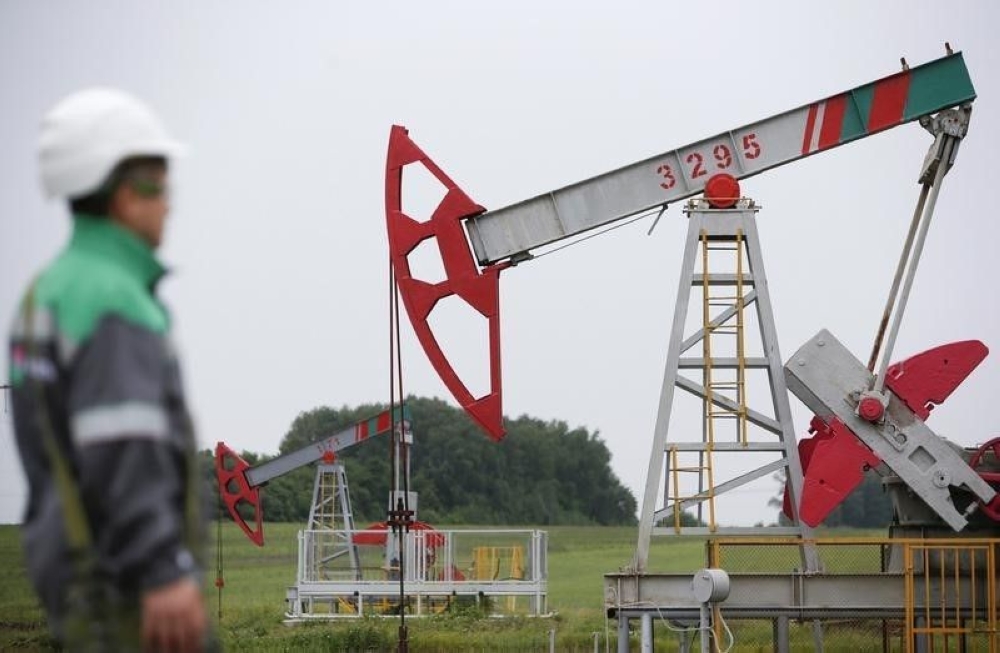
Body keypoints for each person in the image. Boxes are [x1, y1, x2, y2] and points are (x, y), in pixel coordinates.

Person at [8, 88, 211, 651]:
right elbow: (123, 443)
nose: (170, 203)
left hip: (71, 571)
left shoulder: (42, 296)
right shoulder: (114, 300)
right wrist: (162, 569)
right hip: (129, 589)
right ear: (127, 194)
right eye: (162, 185)